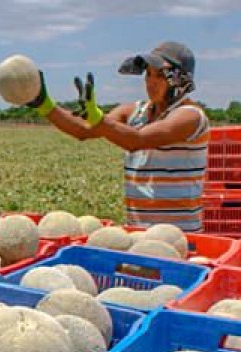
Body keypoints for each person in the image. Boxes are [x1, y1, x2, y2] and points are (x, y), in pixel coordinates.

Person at [26, 41, 209, 233]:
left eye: (160, 75)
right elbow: (83, 130)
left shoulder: (190, 116)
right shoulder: (135, 112)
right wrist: (45, 105)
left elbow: (136, 140)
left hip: (180, 236)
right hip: (138, 234)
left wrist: (98, 118)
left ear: (178, 80)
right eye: (148, 74)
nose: (150, 82)